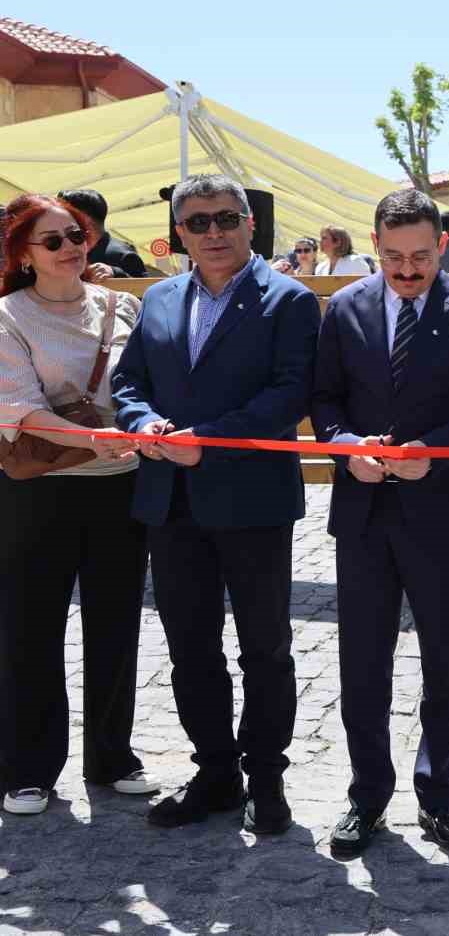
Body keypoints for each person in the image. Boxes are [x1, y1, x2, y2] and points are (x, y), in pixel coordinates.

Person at [111, 173, 321, 834]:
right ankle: (216, 774)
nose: (213, 233)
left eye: (226, 218)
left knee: (266, 650)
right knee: (191, 650)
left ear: (250, 224)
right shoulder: (161, 298)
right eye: (197, 222)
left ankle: (266, 780)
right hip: (172, 504)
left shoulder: (288, 300)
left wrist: (212, 443)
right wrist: (141, 422)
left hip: (252, 499)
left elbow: (290, 395)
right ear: (179, 232)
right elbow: (129, 381)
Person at [310, 189, 449, 859]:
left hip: (441, 513)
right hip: (363, 513)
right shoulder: (344, 310)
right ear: (373, 244)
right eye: (393, 257)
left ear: (442, 247)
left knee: (445, 662)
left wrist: (439, 453)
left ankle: (438, 792)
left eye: (420, 256)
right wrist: (345, 447)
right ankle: (367, 797)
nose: (406, 270)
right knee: (362, 663)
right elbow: (324, 401)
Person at [0, 194, 153, 816]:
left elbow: (145, 387)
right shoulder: (8, 316)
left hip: (120, 485)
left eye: (77, 235)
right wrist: (95, 437)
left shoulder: (125, 306)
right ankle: (27, 766)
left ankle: (112, 754)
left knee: (117, 624)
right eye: (54, 240)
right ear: (24, 254)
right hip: (39, 490)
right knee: (30, 628)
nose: (71, 248)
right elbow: (19, 408)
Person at [58, 189, 146, 280]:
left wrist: (116, 274)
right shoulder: (63, 253)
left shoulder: (122, 256)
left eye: (64, 214)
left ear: (84, 219)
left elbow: (148, 291)